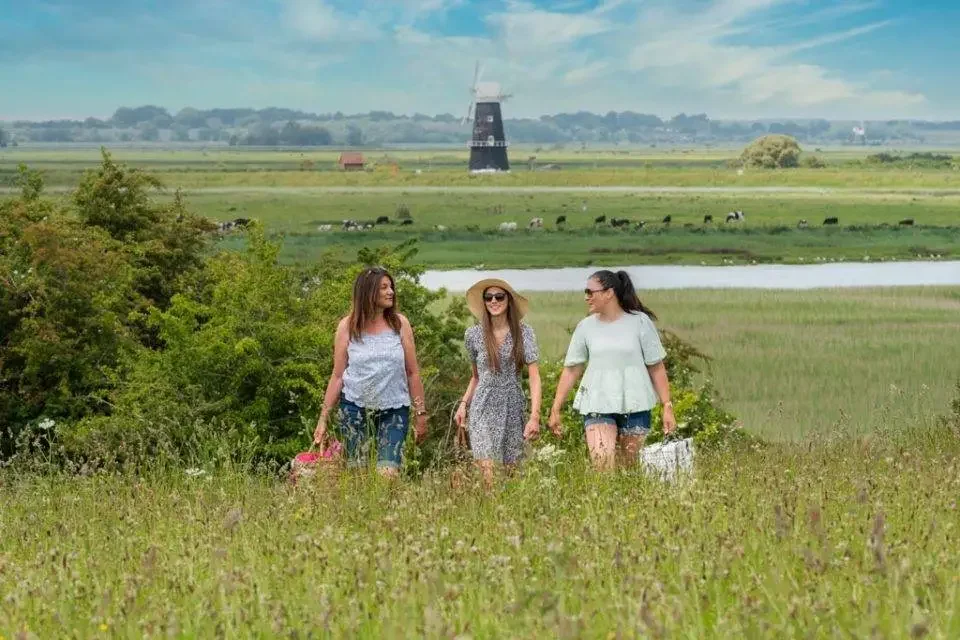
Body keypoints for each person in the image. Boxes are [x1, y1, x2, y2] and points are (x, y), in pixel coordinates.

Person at [548, 270, 676, 470]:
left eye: (590, 292)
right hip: (597, 404)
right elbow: (571, 369)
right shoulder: (585, 327)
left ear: (609, 293)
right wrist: (556, 408)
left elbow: (656, 366)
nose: (586, 297)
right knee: (602, 468)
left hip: (636, 404)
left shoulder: (640, 322)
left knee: (629, 470)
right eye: (585, 292)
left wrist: (667, 405)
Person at [313, 267, 428, 477]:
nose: (391, 291)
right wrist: (323, 418)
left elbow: (413, 373)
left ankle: (388, 508)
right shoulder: (347, 326)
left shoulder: (400, 324)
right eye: (384, 287)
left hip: (394, 408)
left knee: (388, 475)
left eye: (391, 286)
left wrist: (421, 414)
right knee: (359, 477)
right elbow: (337, 376)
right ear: (368, 292)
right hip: (354, 408)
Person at [454, 279, 541, 487]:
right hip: (483, 405)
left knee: (511, 473)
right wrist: (464, 404)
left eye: (499, 296)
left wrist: (535, 416)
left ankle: (506, 514)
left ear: (509, 300)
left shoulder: (524, 332)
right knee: (488, 472)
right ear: (484, 302)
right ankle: (489, 510)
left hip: (512, 403)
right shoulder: (473, 335)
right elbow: (476, 377)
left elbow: (535, 376)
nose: (493, 301)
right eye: (488, 297)